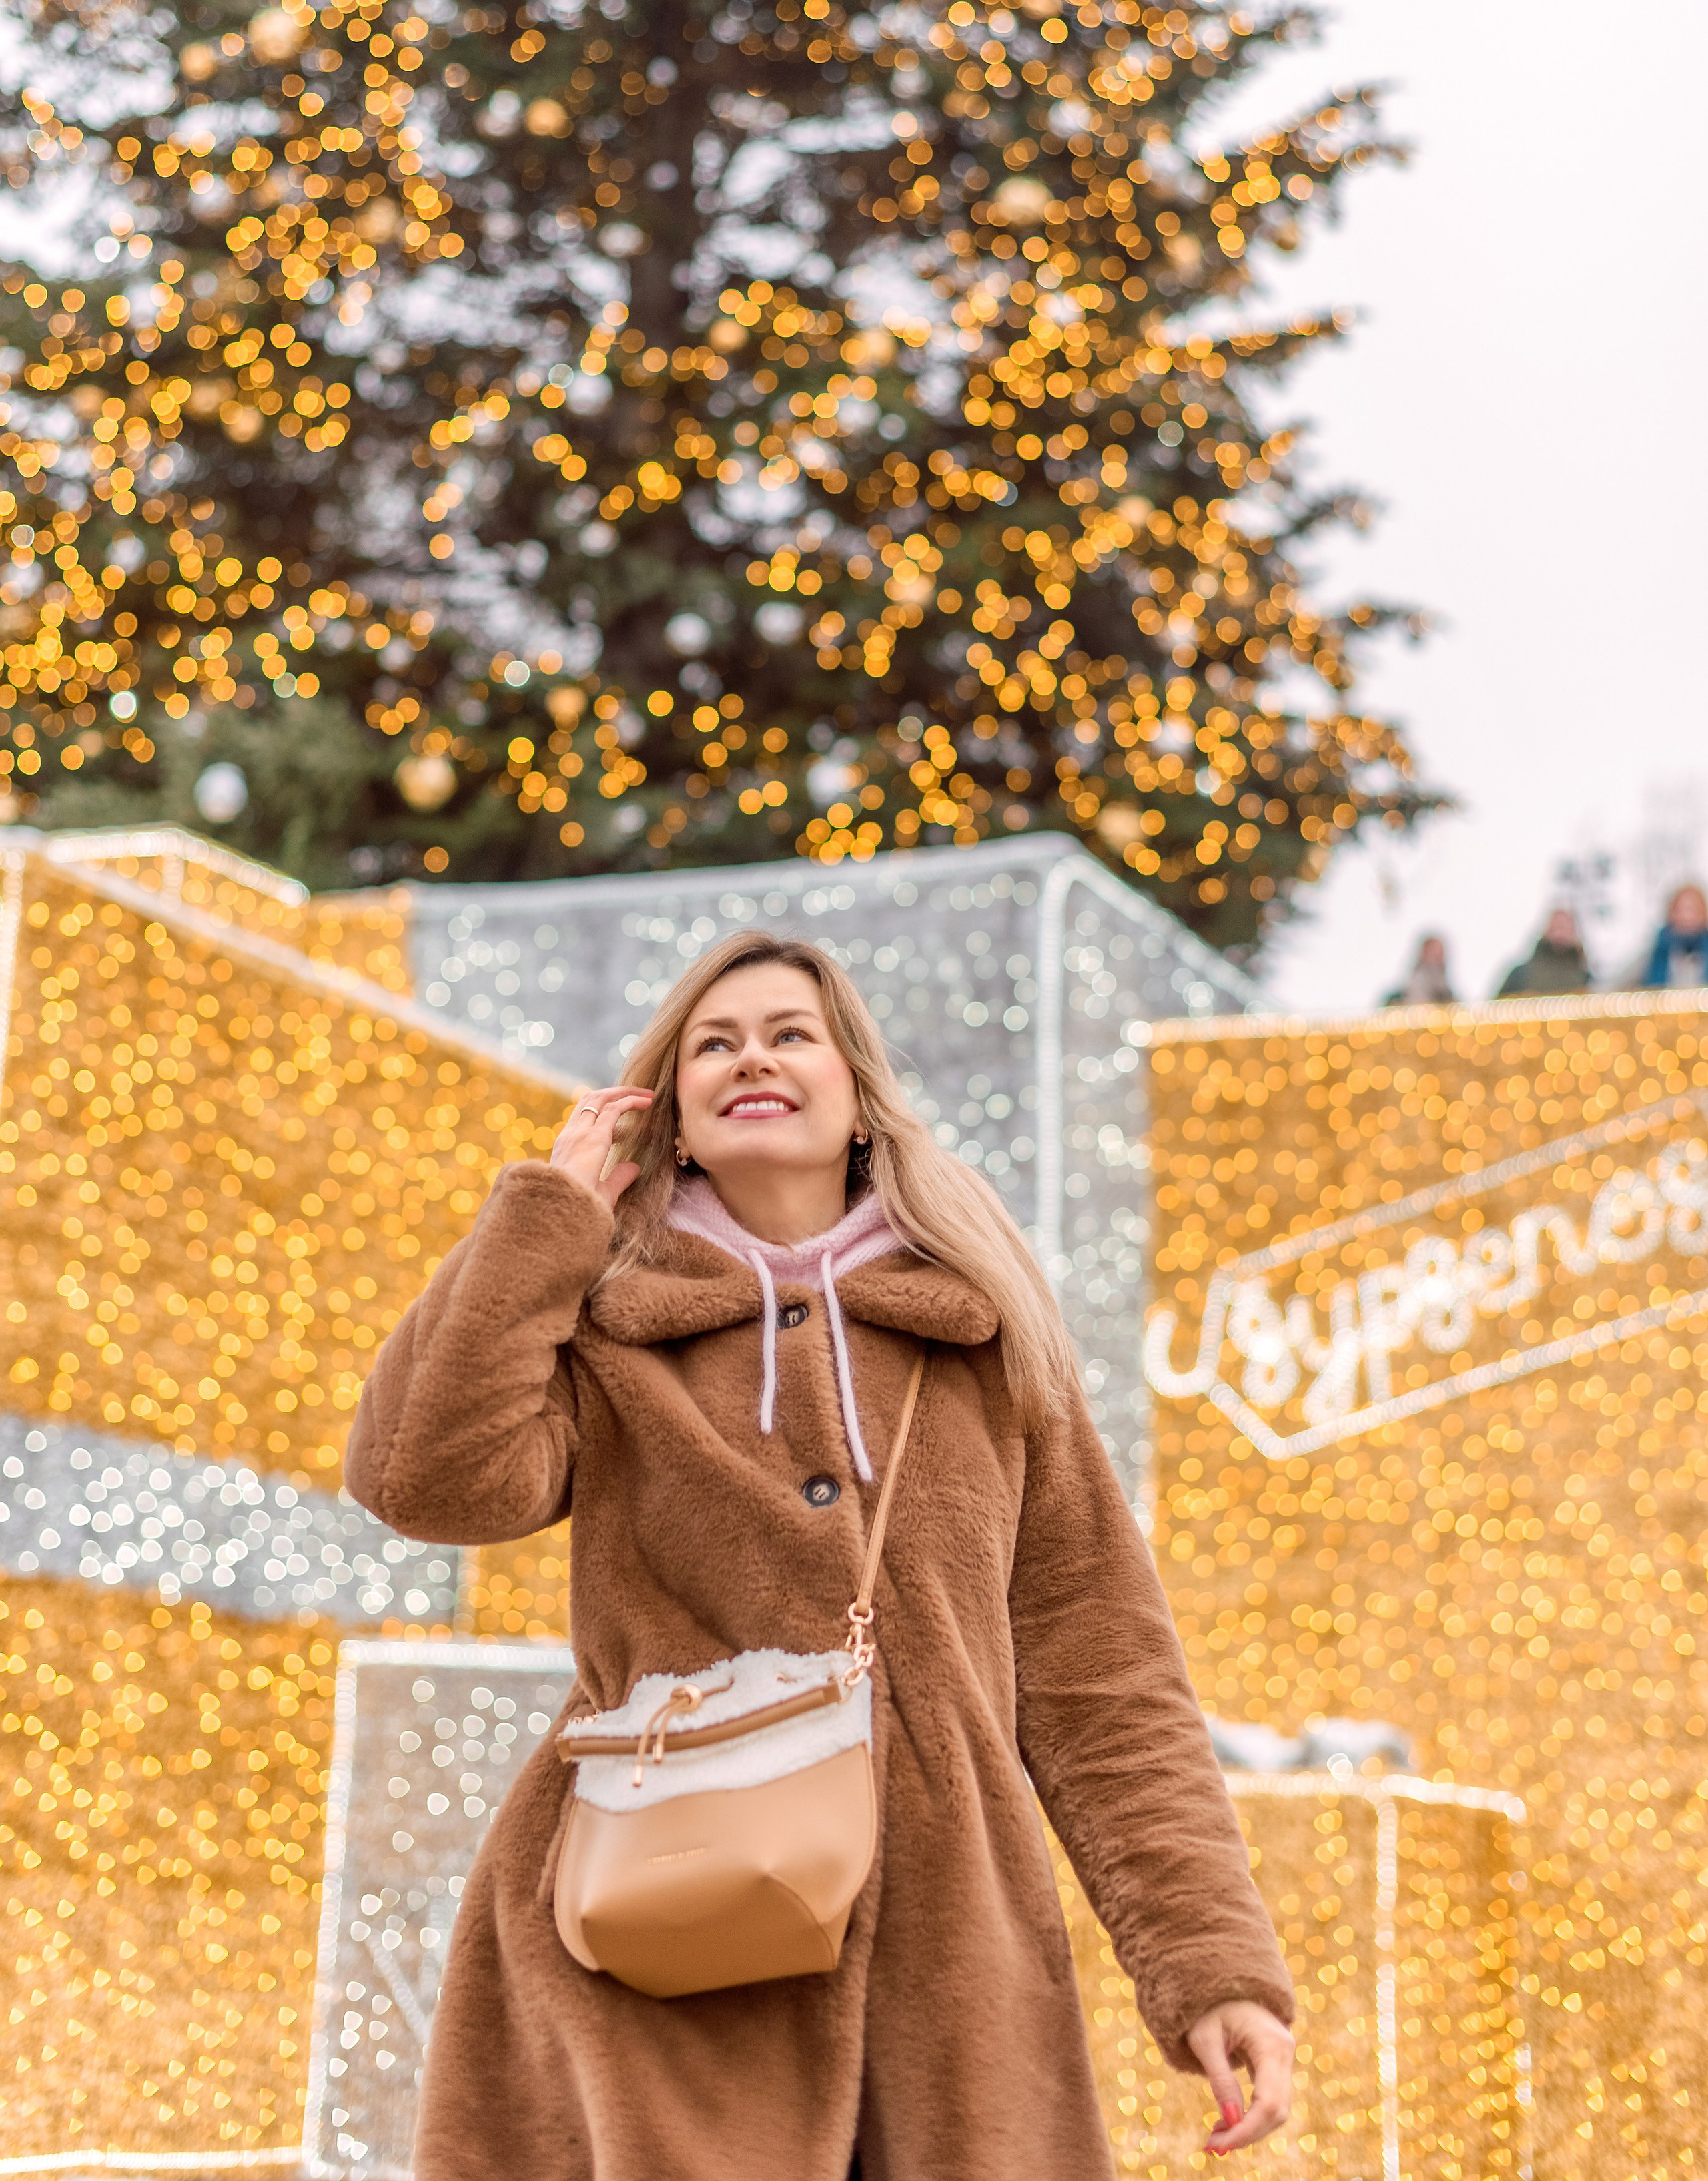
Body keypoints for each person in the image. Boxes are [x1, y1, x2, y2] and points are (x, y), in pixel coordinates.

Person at [346, 931, 1294, 2181]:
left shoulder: (981, 1339)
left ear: (857, 1093)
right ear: (671, 1115)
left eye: (792, 1033)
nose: (755, 1058)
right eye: (714, 1043)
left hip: (949, 1963)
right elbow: (424, 1479)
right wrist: (548, 1221)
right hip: (650, 1936)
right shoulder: (608, 1329)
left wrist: (1213, 1968)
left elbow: (1105, 1683)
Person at [1497, 905, 1593, 998]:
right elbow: (1496, 1010)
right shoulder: (1520, 974)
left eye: (1564, 928)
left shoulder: (1587, 980)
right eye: (1555, 928)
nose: (1559, 934)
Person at [1642, 883, 1708, 989]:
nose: (1688, 917)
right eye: (1683, 909)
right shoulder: (1656, 952)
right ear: (1672, 913)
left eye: (1693, 909)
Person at [1383, 931, 1456, 1007]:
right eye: (1431, 956)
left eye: (1439, 957)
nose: (1434, 963)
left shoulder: (1452, 1006)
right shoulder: (1394, 1003)